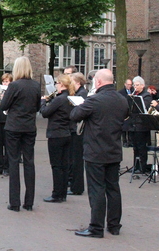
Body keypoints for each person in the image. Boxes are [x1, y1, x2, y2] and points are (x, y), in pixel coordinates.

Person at [70, 69, 129, 238]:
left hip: (95, 151)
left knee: (96, 189)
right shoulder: (122, 100)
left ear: (99, 82)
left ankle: (96, 227)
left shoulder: (94, 100)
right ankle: (114, 225)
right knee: (113, 188)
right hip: (114, 149)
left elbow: (74, 115)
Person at [0, 57, 41, 212]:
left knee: (14, 162)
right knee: (29, 162)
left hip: (14, 127)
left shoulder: (14, 85)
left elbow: (4, 105)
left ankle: (15, 202)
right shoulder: (36, 85)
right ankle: (29, 202)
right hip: (30, 127)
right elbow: (37, 107)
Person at [40, 73, 75, 203]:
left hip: (56, 135)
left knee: (56, 165)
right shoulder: (69, 97)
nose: (55, 85)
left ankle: (56, 194)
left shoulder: (59, 99)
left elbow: (45, 113)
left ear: (61, 84)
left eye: (56, 83)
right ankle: (63, 193)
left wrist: (43, 101)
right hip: (66, 133)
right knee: (64, 165)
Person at [126, 76, 154, 174]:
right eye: (134, 85)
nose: (135, 87)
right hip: (133, 124)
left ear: (142, 85)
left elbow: (144, 107)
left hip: (142, 125)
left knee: (141, 147)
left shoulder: (146, 95)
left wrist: (135, 100)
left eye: (137, 85)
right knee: (135, 147)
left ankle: (142, 166)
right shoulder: (133, 95)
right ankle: (135, 165)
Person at [67, 72, 88, 196]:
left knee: (77, 160)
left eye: (72, 82)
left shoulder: (82, 94)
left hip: (78, 130)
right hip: (76, 129)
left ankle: (77, 187)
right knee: (75, 159)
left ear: (78, 83)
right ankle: (75, 185)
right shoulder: (80, 93)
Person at [0, 73, 12, 177]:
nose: (5, 83)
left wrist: (6, 98)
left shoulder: (12, 93)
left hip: (7, 120)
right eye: (3, 81)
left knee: (7, 145)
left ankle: (6, 167)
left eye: (7, 81)